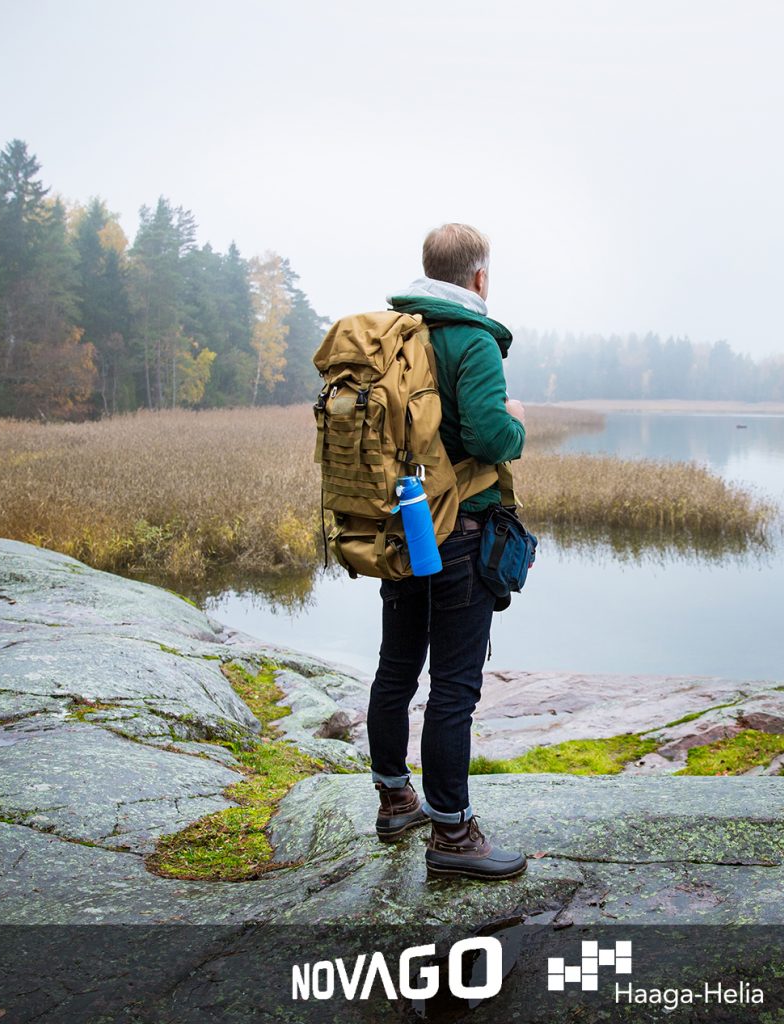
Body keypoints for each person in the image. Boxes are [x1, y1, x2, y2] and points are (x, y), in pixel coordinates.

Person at [365, 223, 528, 881]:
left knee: (396, 669)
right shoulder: (473, 340)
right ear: (479, 278)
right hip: (459, 534)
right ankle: (454, 834)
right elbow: (490, 435)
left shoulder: (393, 335)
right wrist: (517, 421)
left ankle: (394, 799)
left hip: (403, 525)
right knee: (454, 686)